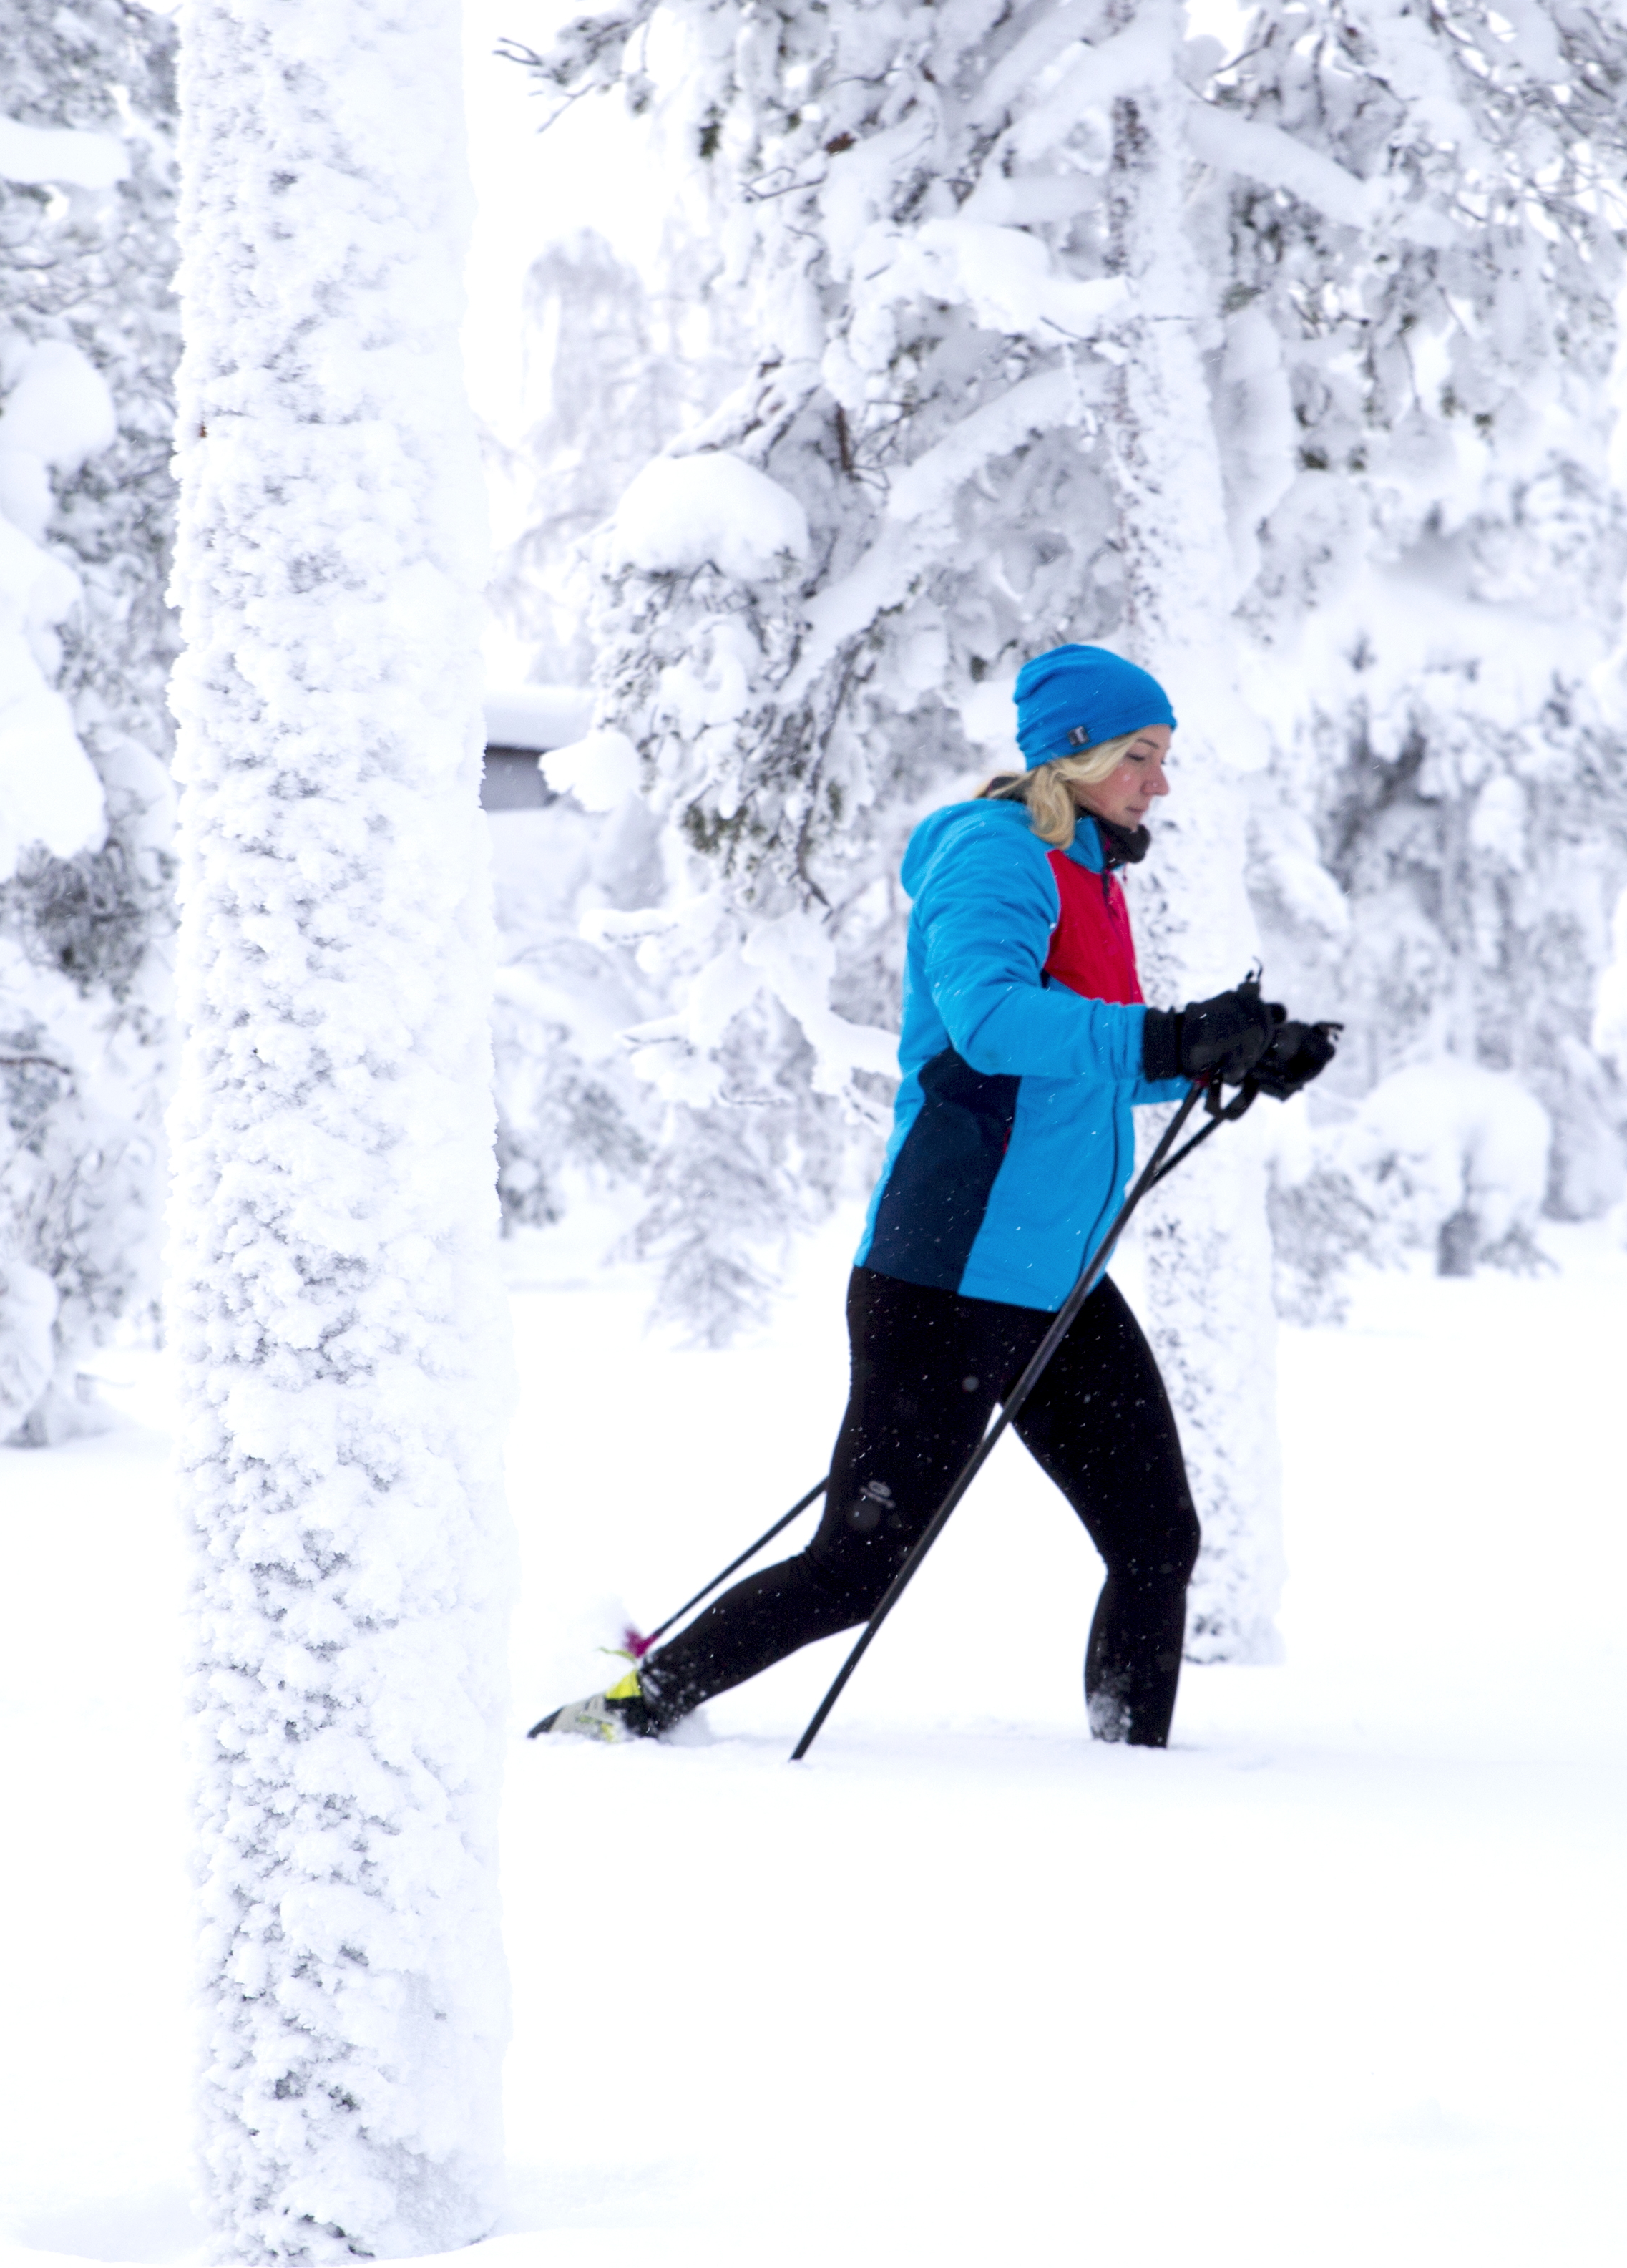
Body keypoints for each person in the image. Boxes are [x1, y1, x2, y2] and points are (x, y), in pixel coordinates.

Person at [534, 643, 1336, 1749]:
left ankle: (1135, 1775)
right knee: (855, 1569)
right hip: (947, 1280)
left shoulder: (1088, 876)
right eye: (1141, 756)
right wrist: (1167, 1037)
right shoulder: (994, 857)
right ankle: (620, 1717)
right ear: (1075, 754)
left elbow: (1080, 1062)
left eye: (1164, 758)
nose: (1160, 783)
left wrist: (1224, 1058)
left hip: (1058, 1284)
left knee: (1157, 1539)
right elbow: (990, 1024)